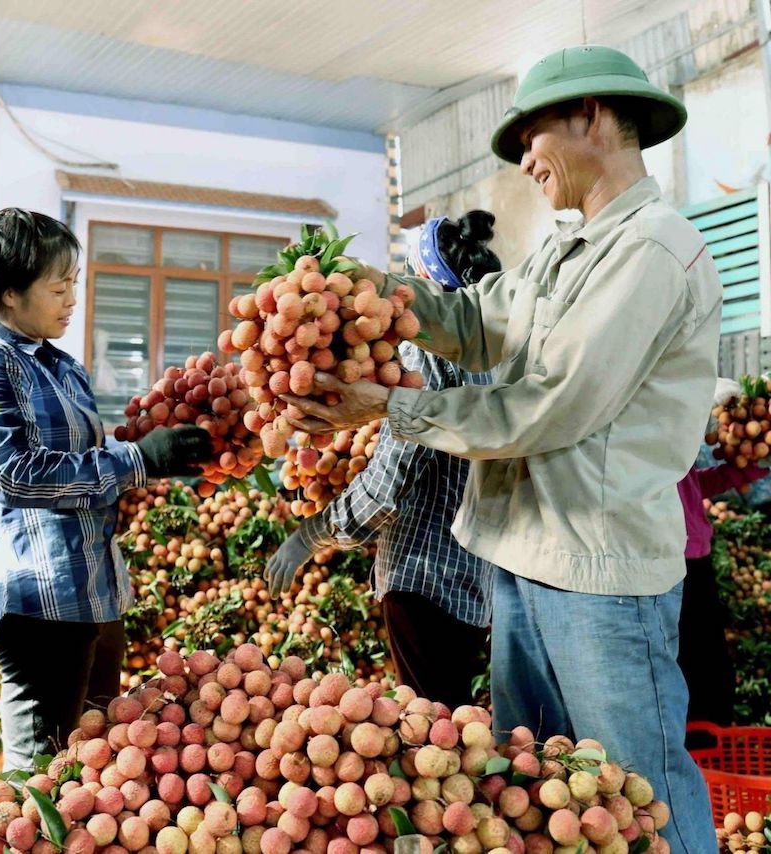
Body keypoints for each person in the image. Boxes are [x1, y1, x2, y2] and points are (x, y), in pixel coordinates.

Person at [282, 46, 719, 851]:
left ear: (592, 116)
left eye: (532, 135)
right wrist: (379, 294)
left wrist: (393, 405)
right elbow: (482, 323)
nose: (523, 162)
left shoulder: (653, 248)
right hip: (520, 561)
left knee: (643, 790)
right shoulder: (567, 247)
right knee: (539, 792)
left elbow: (551, 404)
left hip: (600, 576)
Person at [0, 208, 212, 771]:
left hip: (95, 592)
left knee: (90, 771)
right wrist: (138, 459)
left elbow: (90, 469)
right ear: (10, 293)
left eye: (75, 284)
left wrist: (154, 448)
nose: (71, 299)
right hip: (38, 598)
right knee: (38, 779)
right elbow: (18, 473)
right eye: (57, 286)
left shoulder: (66, 368)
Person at [265, 211, 503, 709]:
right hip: (471, 583)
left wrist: (311, 535)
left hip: (425, 584)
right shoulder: (489, 361)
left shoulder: (427, 357)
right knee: (450, 726)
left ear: (420, 288)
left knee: (432, 738)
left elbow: (393, 476)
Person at [677, 378, 769, 731]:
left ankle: (713, 732)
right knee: (694, 657)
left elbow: (695, 484)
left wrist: (744, 468)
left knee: (710, 656)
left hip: (698, 557)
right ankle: (697, 737)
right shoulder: (652, 453)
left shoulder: (677, 464)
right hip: (673, 562)